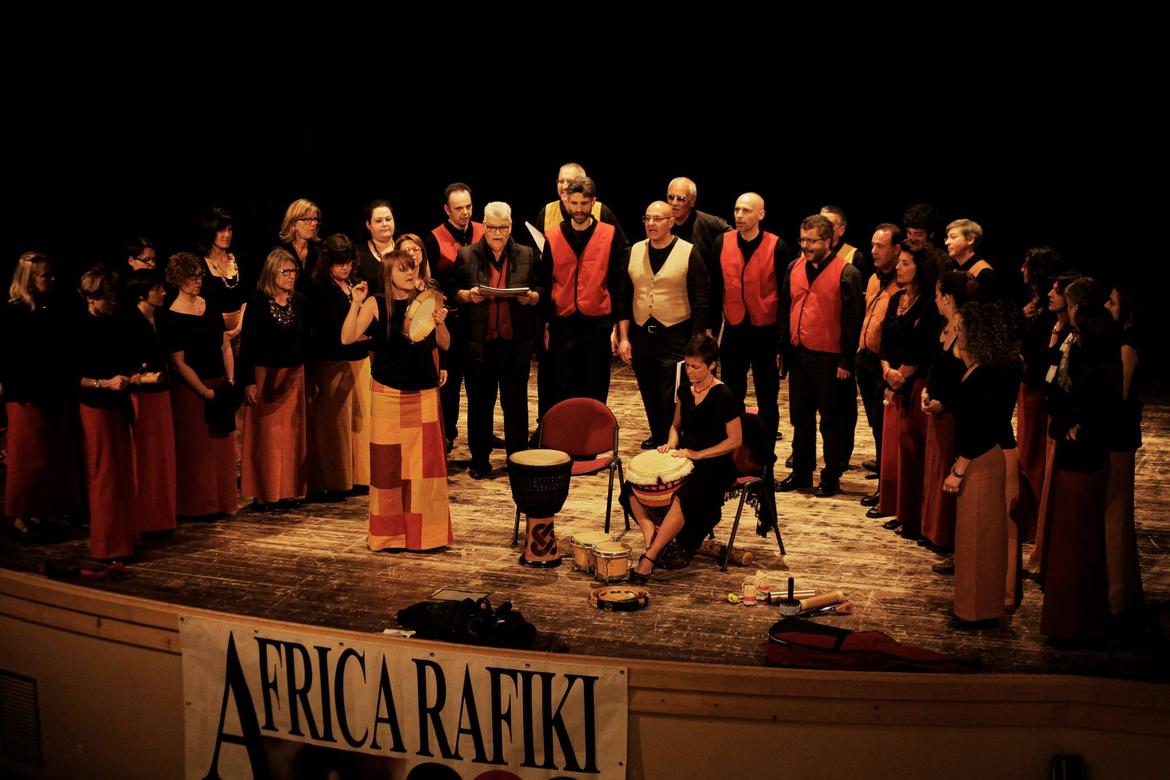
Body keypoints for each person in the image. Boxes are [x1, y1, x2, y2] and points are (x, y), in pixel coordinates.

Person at [342, 249, 453, 551]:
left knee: (425, 471)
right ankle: (389, 535)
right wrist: (355, 304)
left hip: (423, 394)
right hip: (388, 395)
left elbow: (445, 344)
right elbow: (347, 338)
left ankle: (426, 536)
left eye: (412, 267)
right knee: (388, 468)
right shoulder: (376, 304)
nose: (410, 273)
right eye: (402, 269)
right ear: (389, 274)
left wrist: (441, 322)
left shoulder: (428, 300)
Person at [623, 334, 742, 583]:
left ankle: (650, 557)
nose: (690, 371)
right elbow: (676, 426)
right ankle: (652, 539)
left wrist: (698, 454)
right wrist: (671, 443)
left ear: (712, 365)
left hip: (715, 464)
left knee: (683, 496)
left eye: (695, 366)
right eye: (687, 365)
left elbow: (734, 441)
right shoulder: (684, 391)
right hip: (686, 457)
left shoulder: (724, 395)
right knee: (631, 488)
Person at [1040, 277, 1118, 642]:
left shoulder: (1095, 346)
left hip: (1084, 453)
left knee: (1076, 538)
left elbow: (1097, 396)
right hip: (1077, 447)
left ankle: (1075, 623)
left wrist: (1077, 424)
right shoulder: (1079, 340)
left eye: (1070, 305)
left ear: (1077, 307)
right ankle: (1070, 619)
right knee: (1071, 536)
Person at [453, 202, 543, 479]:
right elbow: (452, 291)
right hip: (480, 344)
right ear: (483, 226)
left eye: (502, 227)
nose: (497, 233)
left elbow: (542, 287)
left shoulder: (527, 254)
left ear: (510, 226)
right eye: (492, 227)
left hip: (514, 344)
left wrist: (533, 297)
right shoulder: (467, 255)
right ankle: (480, 461)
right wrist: (466, 296)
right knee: (480, 405)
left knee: (515, 406)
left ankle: (517, 460)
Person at [776, 214, 864, 497]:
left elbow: (853, 322)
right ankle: (801, 472)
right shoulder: (794, 267)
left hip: (830, 359)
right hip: (799, 354)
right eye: (803, 239)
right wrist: (782, 350)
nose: (806, 246)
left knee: (831, 422)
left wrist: (846, 361)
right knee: (800, 418)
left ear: (829, 241)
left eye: (812, 241)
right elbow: (785, 309)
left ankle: (830, 476)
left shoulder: (846, 273)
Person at [942, 301, 1015, 628]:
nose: (956, 333)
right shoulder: (984, 368)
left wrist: (959, 469)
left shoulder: (987, 375)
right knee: (975, 537)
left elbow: (980, 427)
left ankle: (976, 612)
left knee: (979, 538)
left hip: (980, 461)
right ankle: (974, 607)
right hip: (982, 459)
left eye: (960, 328)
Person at [1, 252, 83, 539]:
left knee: (49, 457)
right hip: (27, 395)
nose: (51, 279)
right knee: (29, 458)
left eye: (51, 274)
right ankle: (21, 516)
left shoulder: (48, 308)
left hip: (51, 392)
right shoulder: (15, 312)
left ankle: (42, 512)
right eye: (45, 274)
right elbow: (12, 359)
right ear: (29, 279)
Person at [617, 200, 709, 450]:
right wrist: (624, 337)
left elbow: (700, 301)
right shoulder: (635, 250)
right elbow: (624, 296)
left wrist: (696, 343)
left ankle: (674, 437)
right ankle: (658, 434)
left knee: (671, 392)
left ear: (671, 222)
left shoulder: (689, 252)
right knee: (648, 388)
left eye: (657, 219)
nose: (651, 223)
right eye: (647, 218)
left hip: (675, 333)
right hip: (642, 332)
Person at [539, 176, 628, 406]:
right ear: (567, 201)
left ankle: (594, 427)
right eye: (574, 203)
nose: (579, 209)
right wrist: (545, 323)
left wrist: (617, 326)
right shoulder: (553, 235)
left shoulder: (609, 234)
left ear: (593, 202)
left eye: (584, 203)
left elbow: (617, 282)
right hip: (563, 321)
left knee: (596, 383)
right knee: (563, 384)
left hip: (596, 322)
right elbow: (545, 281)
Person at [708, 192, 790, 441]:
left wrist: (781, 340)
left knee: (767, 393)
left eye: (746, 210)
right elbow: (715, 289)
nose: (739, 215)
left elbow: (785, 297)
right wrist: (711, 329)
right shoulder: (722, 243)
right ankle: (734, 442)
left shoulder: (777, 246)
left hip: (765, 330)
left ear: (760, 215)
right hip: (734, 328)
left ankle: (766, 446)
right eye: (737, 210)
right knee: (732, 391)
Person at [166, 252, 238, 517]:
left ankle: (222, 503)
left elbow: (224, 344)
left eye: (199, 276)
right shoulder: (172, 315)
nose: (197, 281)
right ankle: (199, 506)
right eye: (191, 277)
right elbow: (179, 362)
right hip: (192, 391)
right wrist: (202, 391)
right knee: (198, 450)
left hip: (218, 382)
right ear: (178, 280)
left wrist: (229, 379)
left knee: (221, 448)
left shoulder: (210, 305)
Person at [75, 268, 138, 560]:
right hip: (96, 408)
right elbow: (74, 377)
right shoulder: (81, 328)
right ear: (91, 297)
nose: (112, 301)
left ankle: (125, 539)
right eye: (107, 297)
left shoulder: (114, 323)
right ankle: (106, 545)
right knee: (105, 475)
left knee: (123, 473)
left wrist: (129, 376)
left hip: (118, 405)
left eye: (113, 296)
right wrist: (105, 383)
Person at [238, 248, 309, 509]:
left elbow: (306, 340)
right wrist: (248, 381)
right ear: (271, 272)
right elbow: (247, 345)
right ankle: (264, 493)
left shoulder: (299, 301)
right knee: (267, 439)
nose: (291, 276)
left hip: (294, 375)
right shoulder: (257, 303)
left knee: (291, 436)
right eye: (285, 271)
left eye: (293, 271)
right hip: (265, 376)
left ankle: (288, 492)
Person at [877, 244, 939, 536]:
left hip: (914, 384)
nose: (898, 268)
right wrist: (887, 372)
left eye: (905, 263)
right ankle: (899, 510)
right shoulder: (896, 298)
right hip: (892, 381)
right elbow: (884, 342)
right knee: (895, 451)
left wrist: (900, 377)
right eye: (898, 263)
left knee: (913, 451)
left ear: (920, 268)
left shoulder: (928, 305)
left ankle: (914, 517)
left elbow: (922, 349)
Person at [306, 234, 371, 499]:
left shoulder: (354, 283)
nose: (345, 268)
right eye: (339, 263)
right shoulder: (319, 288)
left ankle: (360, 477)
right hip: (333, 362)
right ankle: (336, 480)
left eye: (348, 262)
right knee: (336, 426)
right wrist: (357, 332)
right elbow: (329, 329)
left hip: (359, 361)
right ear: (328, 262)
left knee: (360, 423)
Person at [919, 272, 974, 557]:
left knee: (946, 471)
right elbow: (934, 364)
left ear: (948, 298)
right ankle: (933, 531)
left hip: (954, 415)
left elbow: (970, 379)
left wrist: (946, 403)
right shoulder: (944, 325)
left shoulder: (966, 329)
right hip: (937, 411)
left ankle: (948, 537)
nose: (935, 300)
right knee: (934, 470)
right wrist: (926, 391)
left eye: (938, 295)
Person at [426, 185, 484, 453]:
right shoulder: (434, 239)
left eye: (468, 206)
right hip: (450, 320)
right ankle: (447, 434)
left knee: (480, 384)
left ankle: (481, 435)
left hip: (479, 320)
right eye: (459, 208)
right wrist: (457, 296)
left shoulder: (484, 231)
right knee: (449, 384)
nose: (465, 213)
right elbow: (431, 282)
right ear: (447, 210)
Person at [124, 269, 177, 533]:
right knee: (144, 456)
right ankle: (143, 518)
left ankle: (161, 517)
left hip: (161, 393)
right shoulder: (129, 321)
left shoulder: (162, 318)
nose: (163, 292)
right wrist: (137, 374)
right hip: (140, 396)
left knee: (161, 455)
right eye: (157, 289)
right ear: (142, 294)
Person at [1016, 247, 1063, 543]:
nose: (1022, 270)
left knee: (1032, 454)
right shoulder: (1034, 304)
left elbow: (1045, 354)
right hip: (1027, 385)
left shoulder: (1049, 311)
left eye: (1026, 265)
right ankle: (1029, 519)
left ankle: (1035, 523)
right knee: (1027, 452)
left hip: (1036, 388)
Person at [1103, 281, 1144, 616]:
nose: (1106, 307)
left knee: (1116, 513)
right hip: (1115, 433)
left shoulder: (1128, 345)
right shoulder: (1120, 341)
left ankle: (1118, 596)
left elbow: (1121, 395)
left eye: (1113, 303)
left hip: (1118, 435)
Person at [857, 224, 902, 508]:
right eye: (872, 245)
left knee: (885, 427)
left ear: (897, 249)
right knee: (876, 425)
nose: (873, 251)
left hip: (886, 365)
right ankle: (883, 481)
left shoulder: (904, 283)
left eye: (880, 246)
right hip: (865, 359)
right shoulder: (874, 278)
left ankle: (888, 490)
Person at [199, 207, 246, 349]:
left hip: (242, 330)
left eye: (230, 229)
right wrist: (223, 334)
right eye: (221, 230)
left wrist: (239, 328)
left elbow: (246, 298)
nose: (227, 235)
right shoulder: (200, 263)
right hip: (213, 333)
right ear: (210, 232)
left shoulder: (237, 258)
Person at [665, 177, 732, 270]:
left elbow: (735, 238)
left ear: (692, 201)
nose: (674, 203)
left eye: (681, 199)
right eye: (671, 197)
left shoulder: (710, 223)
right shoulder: (661, 223)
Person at [944, 219, 999, 299]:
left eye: (953, 237)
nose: (946, 242)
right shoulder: (950, 267)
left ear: (970, 240)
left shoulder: (985, 273)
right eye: (947, 238)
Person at [354, 199, 397, 295]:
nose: (385, 224)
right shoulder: (358, 254)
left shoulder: (404, 247)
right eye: (378, 221)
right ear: (368, 225)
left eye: (388, 219)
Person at [277, 198, 322, 284]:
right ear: (293, 223)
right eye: (308, 219)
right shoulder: (280, 253)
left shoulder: (319, 254)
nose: (314, 223)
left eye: (315, 219)